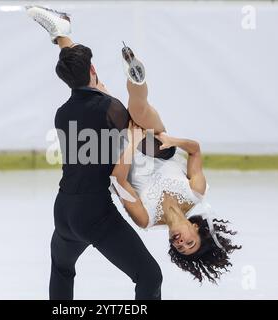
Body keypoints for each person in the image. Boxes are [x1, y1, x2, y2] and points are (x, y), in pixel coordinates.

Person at [26, 5, 170, 299]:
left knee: (62, 268)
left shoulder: (62, 113)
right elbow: (153, 146)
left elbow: (79, 74)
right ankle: (62, 34)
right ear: (93, 70)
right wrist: (124, 97)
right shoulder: (110, 108)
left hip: (64, 211)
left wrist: (65, 41)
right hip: (94, 214)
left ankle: (61, 32)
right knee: (149, 276)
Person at [111, 44, 242, 283]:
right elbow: (195, 150)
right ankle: (135, 73)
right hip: (158, 146)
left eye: (180, 247)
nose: (181, 242)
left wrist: (131, 143)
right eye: (189, 242)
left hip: (123, 154)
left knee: (111, 108)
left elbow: (118, 181)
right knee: (139, 111)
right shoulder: (196, 194)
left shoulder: (145, 219)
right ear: (197, 230)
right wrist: (171, 140)